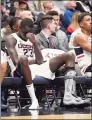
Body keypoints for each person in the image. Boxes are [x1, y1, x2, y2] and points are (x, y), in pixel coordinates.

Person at [5, 18, 90, 107]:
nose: (28, 33)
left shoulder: (34, 39)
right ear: (20, 28)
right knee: (23, 58)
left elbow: (40, 60)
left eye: (30, 31)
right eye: (25, 31)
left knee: (69, 55)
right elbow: (15, 61)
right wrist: (35, 61)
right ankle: (34, 100)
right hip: (19, 69)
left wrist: (34, 43)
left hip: (36, 67)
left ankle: (68, 96)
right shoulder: (11, 38)